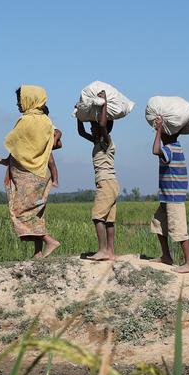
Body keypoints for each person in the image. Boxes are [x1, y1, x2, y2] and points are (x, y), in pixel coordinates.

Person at [1, 85, 60, 258]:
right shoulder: (46, 121)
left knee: (20, 210)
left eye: (20, 100)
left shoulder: (26, 121)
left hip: (27, 173)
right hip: (41, 172)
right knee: (36, 213)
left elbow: (15, 144)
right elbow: (54, 140)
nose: (18, 104)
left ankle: (49, 240)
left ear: (28, 99)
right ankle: (38, 252)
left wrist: (8, 162)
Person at [75, 90, 118, 261]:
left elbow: (101, 125)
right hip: (109, 183)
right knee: (108, 220)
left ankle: (103, 250)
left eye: (94, 126)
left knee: (97, 216)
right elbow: (81, 132)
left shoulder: (107, 142)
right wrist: (78, 114)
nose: (91, 129)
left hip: (106, 183)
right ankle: (110, 251)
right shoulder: (97, 142)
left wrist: (104, 103)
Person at [151, 115, 189, 273]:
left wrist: (158, 130)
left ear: (167, 134)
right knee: (158, 222)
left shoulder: (170, 148)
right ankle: (166, 256)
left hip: (173, 197)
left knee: (179, 229)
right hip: (166, 196)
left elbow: (155, 150)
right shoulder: (175, 146)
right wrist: (161, 130)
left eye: (163, 133)